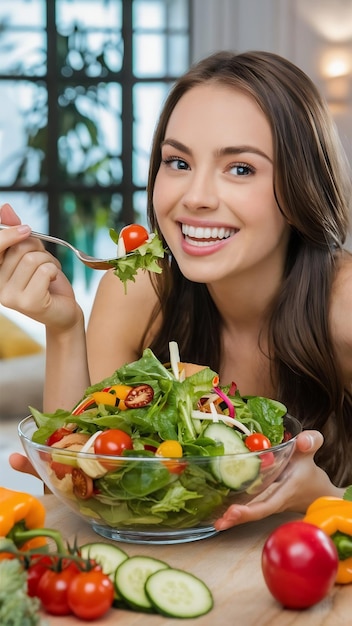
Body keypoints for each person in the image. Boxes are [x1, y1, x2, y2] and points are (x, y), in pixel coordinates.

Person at [0, 49, 350, 531]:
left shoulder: (344, 307)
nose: (196, 197)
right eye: (178, 161)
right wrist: (63, 328)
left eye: (241, 168)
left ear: (299, 187)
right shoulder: (137, 291)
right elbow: (85, 496)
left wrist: (325, 498)